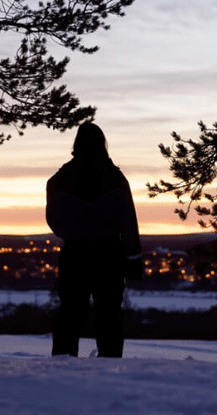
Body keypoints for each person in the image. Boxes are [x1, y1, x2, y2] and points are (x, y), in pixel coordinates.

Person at [46, 122, 142, 358]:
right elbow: (129, 221)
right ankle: (110, 364)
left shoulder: (59, 179)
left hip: (74, 254)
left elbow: (53, 220)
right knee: (109, 314)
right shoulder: (116, 178)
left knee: (69, 314)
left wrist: (72, 231)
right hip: (109, 255)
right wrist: (134, 258)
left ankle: (62, 366)